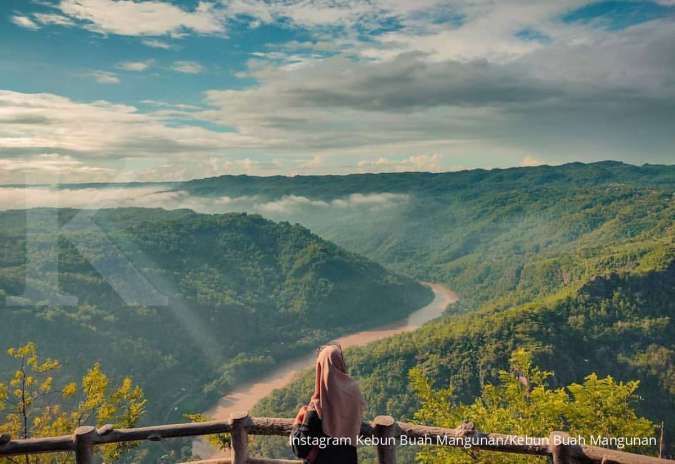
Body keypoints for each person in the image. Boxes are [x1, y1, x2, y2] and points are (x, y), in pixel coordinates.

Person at [293, 344, 366, 464]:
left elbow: (300, 450)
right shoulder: (354, 392)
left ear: (320, 368)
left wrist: (298, 420)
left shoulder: (318, 407)